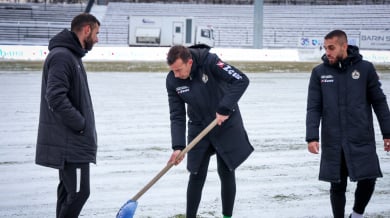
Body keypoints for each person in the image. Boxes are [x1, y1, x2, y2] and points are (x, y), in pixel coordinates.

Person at [306, 29, 390, 218]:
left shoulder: (366, 69)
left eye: (331, 47)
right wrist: (312, 136)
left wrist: (388, 133)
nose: (327, 52)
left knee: (369, 179)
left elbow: (379, 102)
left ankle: (357, 214)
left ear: (344, 46)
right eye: (325, 48)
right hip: (333, 138)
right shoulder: (319, 72)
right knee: (337, 184)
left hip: (360, 136)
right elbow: (314, 107)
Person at [165, 44, 254, 218]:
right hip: (198, 126)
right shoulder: (172, 80)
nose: (176, 75)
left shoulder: (211, 62)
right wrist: (178, 146)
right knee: (196, 173)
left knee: (226, 170)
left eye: (179, 70)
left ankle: (227, 216)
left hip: (224, 122)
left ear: (189, 62)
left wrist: (224, 108)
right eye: (173, 71)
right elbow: (177, 115)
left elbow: (241, 80)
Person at [35, 13, 100, 218]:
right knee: (80, 192)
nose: (97, 39)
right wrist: (80, 125)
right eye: (96, 33)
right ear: (87, 30)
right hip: (71, 143)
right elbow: (55, 97)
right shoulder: (63, 56)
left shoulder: (72, 56)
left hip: (72, 142)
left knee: (68, 192)